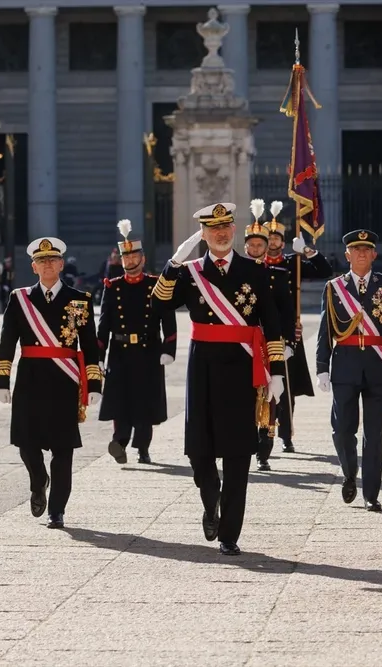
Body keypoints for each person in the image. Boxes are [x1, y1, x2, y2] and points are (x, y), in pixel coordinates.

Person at [151, 202, 286, 555]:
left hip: (243, 369)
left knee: (239, 451)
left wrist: (276, 374)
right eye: (213, 229)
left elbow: (271, 322)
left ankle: (229, 534)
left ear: (234, 229)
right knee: (199, 449)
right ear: (204, 235)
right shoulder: (191, 271)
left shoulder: (255, 271)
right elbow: (159, 305)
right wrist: (172, 265)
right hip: (204, 367)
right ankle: (211, 500)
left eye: (226, 227)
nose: (221, 233)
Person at [0, 237, 103, 529]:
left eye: (52, 260)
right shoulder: (20, 299)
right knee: (25, 443)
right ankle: (39, 479)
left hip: (64, 380)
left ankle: (57, 509)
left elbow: (91, 346)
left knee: (62, 448)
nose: (47, 265)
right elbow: (7, 342)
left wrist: (94, 384)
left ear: (61, 264)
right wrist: (2, 380)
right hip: (30, 378)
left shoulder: (79, 299)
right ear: (33, 266)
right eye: (41, 261)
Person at [315, 230, 382, 512]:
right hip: (345, 364)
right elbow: (325, 330)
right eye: (355, 249)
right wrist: (322, 367)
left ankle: (371, 493)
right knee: (342, 429)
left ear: (374, 254)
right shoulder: (333, 287)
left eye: (366, 249)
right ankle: (349, 472)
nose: (360, 253)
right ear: (347, 255)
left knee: (374, 433)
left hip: (378, 365)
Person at [98, 219, 177, 465]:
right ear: (121, 261)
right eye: (126, 258)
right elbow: (104, 324)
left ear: (142, 258)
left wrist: (169, 348)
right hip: (120, 351)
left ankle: (143, 448)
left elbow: (168, 319)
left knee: (145, 402)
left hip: (148, 350)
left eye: (135, 257)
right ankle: (119, 442)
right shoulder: (113, 287)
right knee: (120, 400)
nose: (130, 262)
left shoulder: (155, 285)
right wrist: (98, 355)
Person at [260, 201, 333, 453]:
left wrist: (308, 252)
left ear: (283, 241)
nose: (272, 242)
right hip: (260, 332)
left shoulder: (294, 263)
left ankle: (286, 433)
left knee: (287, 385)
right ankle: (262, 432)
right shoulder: (255, 264)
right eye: (268, 238)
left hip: (288, 332)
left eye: (277, 238)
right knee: (262, 382)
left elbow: (326, 271)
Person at [243, 200, 296, 472]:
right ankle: (245, 441)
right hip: (242, 344)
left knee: (270, 395)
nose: (255, 249)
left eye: (259, 246)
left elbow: (286, 312)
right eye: (251, 246)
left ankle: (265, 447)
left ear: (267, 247)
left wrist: (290, 342)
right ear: (245, 247)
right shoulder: (235, 273)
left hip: (269, 342)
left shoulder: (276, 275)